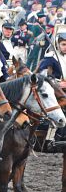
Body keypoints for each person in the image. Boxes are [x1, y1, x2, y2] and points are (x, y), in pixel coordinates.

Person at [37, 24, 66, 152]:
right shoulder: (50, 57)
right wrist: (57, 84)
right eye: (64, 44)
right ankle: (52, 138)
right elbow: (42, 75)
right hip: (53, 89)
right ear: (57, 44)